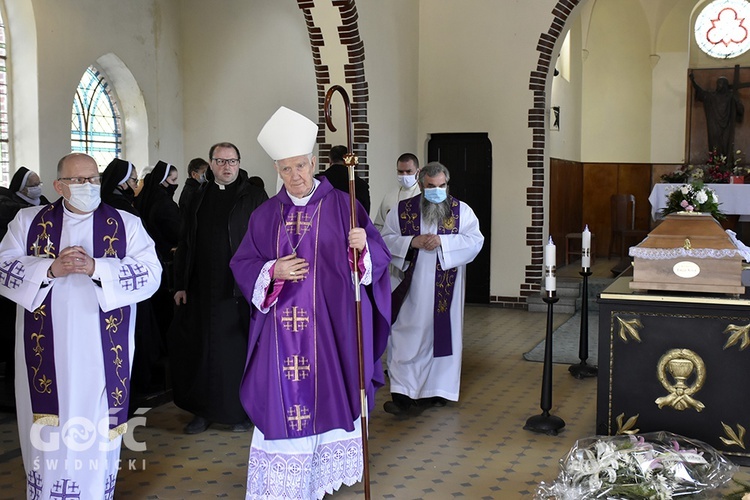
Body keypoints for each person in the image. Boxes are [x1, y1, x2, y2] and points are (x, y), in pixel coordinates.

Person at [229, 106, 391, 499]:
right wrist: (272, 271)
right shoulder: (266, 214)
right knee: (280, 405)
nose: (295, 176)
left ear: (314, 163)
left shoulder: (344, 205)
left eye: (301, 166)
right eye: (286, 169)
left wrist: (362, 249)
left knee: (331, 396)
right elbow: (243, 263)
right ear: (276, 170)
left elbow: (377, 260)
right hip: (279, 336)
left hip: (330, 329)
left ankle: (317, 482)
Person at [0, 152, 161, 498]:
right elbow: (3, 268)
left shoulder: (126, 224)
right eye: (78, 180)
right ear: (59, 185)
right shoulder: (27, 221)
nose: (88, 186)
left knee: (96, 430)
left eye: (94, 179)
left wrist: (97, 269)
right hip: (45, 355)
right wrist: (49, 269)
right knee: (48, 438)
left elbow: (151, 275)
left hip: (101, 356)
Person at [170, 142, 267, 434]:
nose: (227, 167)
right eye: (221, 161)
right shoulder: (198, 195)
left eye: (232, 161)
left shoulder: (254, 195)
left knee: (235, 353)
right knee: (201, 351)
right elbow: (185, 241)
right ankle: (202, 412)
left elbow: (265, 239)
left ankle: (240, 412)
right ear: (211, 164)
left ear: (239, 163)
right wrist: (180, 284)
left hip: (236, 289)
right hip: (201, 288)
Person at [381, 161, 484, 417]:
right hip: (411, 291)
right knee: (407, 336)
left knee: (441, 339)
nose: (437, 191)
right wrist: (411, 242)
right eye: (431, 187)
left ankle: (437, 391)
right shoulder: (402, 210)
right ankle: (403, 394)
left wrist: (443, 242)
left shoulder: (462, 211)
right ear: (420, 184)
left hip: (444, 293)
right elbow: (385, 240)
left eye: (441, 186)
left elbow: (475, 240)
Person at [690, 73, 745, 162]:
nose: (718, 85)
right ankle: (715, 164)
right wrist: (693, 81)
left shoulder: (731, 96)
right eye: (718, 83)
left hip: (727, 125)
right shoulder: (712, 96)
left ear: (725, 85)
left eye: (720, 83)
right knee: (714, 144)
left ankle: (727, 164)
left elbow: (740, 109)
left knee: (726, 144)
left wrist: (736, 102)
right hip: (714, 125)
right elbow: (701, 92)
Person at [315, 144, 371, 214]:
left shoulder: (319, 181)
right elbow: (365, 213)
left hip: (325, 223)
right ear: (348, 159)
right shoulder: (360, 184)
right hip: (351, 223)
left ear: (329, 159)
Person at [374, 153, 421, 231]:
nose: (404, 175)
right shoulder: (389, 197)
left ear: (418, 172)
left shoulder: (424, 195)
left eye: (408, 171)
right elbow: (379, 225)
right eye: (400, 171)